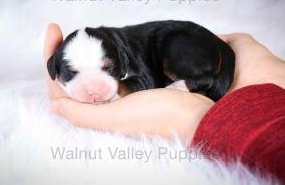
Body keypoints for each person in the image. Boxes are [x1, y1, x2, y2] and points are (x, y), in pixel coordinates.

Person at [44, 23, 285, 182]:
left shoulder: (124, 51)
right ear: (54, 68)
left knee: (176, 52)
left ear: (120, 62)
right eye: (72, 74)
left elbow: (145, 79)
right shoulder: (112, 50)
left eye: (107, 71)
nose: (93, 89)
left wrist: (125, 93)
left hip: (188, 45)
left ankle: (198, 81)